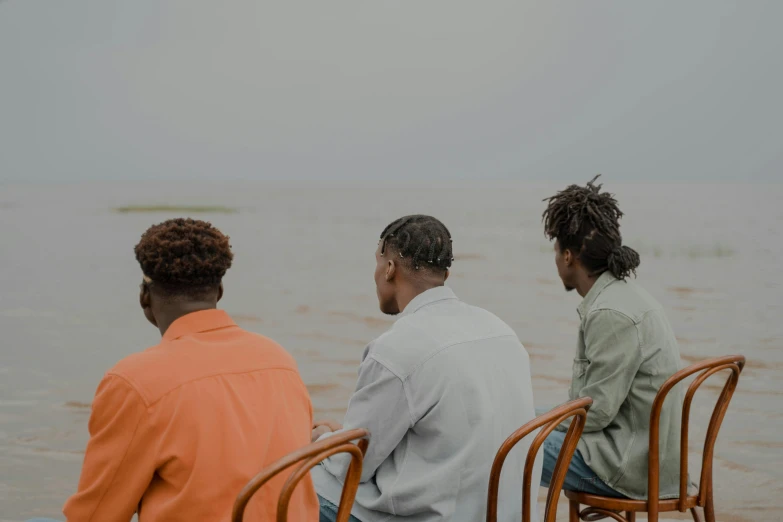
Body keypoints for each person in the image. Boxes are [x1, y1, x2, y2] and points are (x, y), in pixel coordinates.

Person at [33, 218, 317, 522]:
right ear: (219, 291)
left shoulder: (135, 380)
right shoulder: (279, 359)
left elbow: (97, 515)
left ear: (144, 295)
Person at [311, 215, 541, 522]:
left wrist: (323, 438)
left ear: (389, 268)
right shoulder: (502, 331)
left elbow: (352, 466)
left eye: (377, 263)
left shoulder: (395, 350)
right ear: (446, 272)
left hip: (434, 514)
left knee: (289, 479)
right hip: (504, 513)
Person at [539, 176, 683, 500]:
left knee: (503, 441)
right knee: (514, 414)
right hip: (638, 451)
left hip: (627, 468)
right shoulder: (624, 295)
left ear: (568, 257)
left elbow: (596, 412)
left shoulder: (610, 312)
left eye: (556, 248)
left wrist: (535, 425)